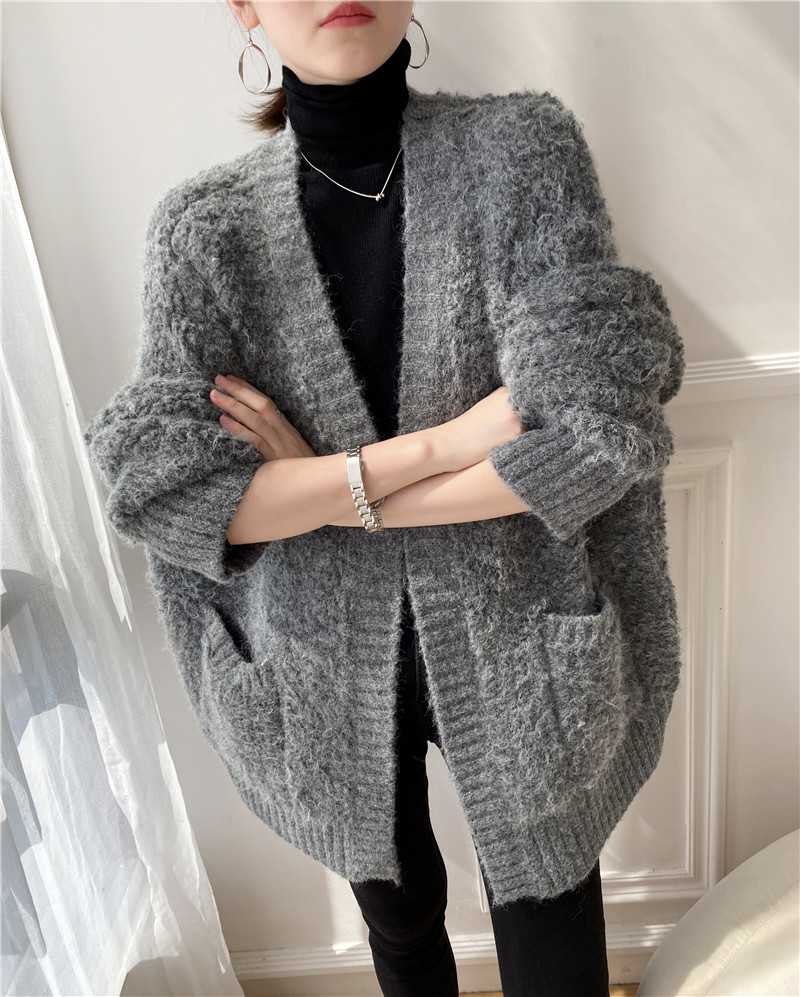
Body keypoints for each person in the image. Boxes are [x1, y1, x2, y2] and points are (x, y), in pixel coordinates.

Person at [83, 3, 686, 995]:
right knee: (400, 924)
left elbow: (593, 423)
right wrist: (441, 446)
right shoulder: (203, 233)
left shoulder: (521, 149)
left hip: (519, 624)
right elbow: (175, 489)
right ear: (243, 6)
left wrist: (320, 489)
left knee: (549, 921)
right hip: (319, 661)